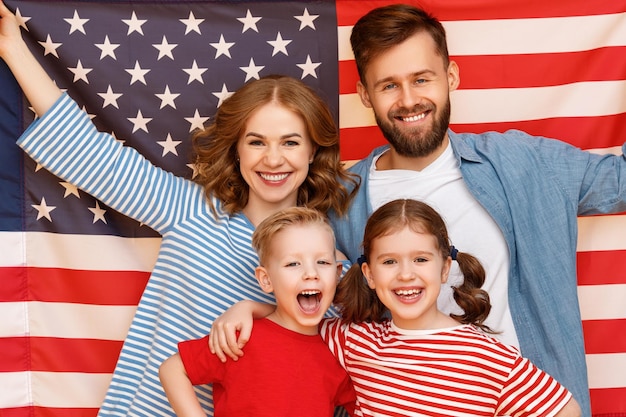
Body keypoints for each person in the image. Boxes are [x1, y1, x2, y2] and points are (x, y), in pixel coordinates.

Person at [0, 2, 358, 415]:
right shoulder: (191, 209)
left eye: (290, 142)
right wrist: (12, 46)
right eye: (257, 142)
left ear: (313, 151)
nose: (273, 159)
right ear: (237, 150)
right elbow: (90, 154)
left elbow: (327, 354)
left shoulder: (333, 269)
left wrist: (252, 308)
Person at [324, 4, 626, 416]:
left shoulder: (523, 163)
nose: (409, 100)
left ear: (451, 77)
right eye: (389, 85)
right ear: (365, 95)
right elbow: (305, 300)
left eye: (422, 79)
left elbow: (620, 182)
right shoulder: (340, 201)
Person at [210, 199, 582, 416]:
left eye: (420, 259)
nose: (406, 275)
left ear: (444, 267)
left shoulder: (488, 355)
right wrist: (248, 307)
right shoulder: (354, 339)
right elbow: (293, 322)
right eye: (389, 262)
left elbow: (566, 410)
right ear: (369, 274)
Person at [159, 207, 356, 416]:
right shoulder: (243, 337)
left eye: (322, 262)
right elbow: (172, 370)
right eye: (293, 263)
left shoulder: (339, 353)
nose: (310, 273)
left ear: (337, 273)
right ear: (266, 279)